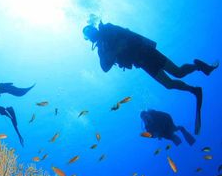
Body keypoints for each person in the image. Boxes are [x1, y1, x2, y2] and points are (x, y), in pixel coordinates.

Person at [83, 21, 218, 135]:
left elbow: (128, 36)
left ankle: (198, 69)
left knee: (177, 73)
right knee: (170, 83)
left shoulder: (108, 29)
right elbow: (104, 68)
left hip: (147, 53)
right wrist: (113, 52)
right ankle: (194, 87)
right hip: (142, 62)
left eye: (91, 32)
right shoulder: (102, 49)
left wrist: (118, 49)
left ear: (94, 29)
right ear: (89, 38)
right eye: (89, 35)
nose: (92, 35)